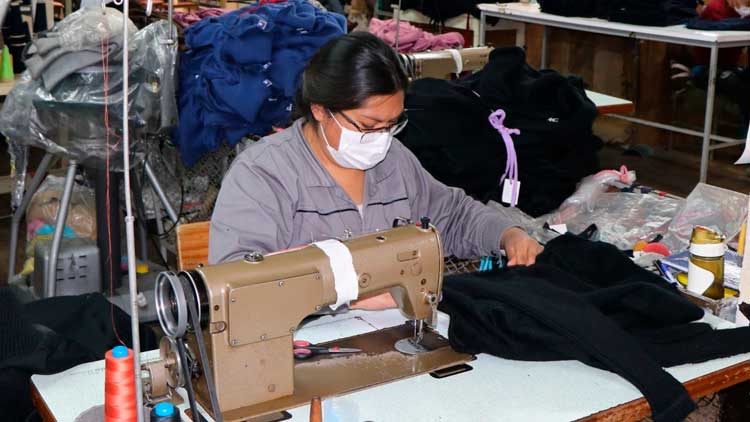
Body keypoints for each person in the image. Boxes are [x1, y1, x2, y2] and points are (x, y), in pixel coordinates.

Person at [209, 32, 543, 309]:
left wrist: (506, 235)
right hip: (300, 344)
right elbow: (237, 286)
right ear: (321, 110)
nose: (381, 139)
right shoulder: (263, 175)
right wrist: (349, 296)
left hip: (382, 329)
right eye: (369, 126)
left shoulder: (393, 160)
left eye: (391, 125)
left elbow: (452, 215)